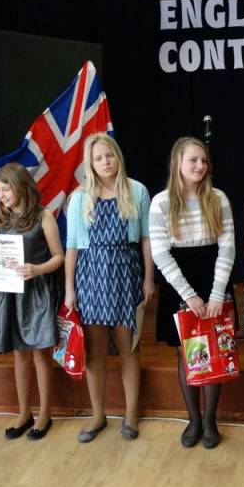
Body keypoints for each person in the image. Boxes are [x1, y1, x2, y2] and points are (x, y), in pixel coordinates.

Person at [64, 133, 154, 442]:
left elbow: (146, 238)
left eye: (109, 155)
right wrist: (69, 289)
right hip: (91, 276)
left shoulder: (137, 191)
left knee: (129, 346)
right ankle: (98, 414)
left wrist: (149, 278)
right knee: (95, 350)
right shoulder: (79, 198)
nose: (105, 162)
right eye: (98, 158)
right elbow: (72, 246)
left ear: (118, 156)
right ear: (90, 163)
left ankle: (131, 413)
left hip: (126, 273)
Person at [150, 136, 235, 449]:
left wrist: (216, 294)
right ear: (178, 163)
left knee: (216, 348)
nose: (200, 166)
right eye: (193, 160)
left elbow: (227, 248)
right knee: (186, 352)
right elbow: (160, 254)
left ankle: (210, 419)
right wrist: (188, 295)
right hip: (179, 284)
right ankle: (194, 419)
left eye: (203, 160)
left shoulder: (218, 198)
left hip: (213, 278)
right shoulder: (161, 202)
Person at [0, 163, 63, 441]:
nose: (1, 196)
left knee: (40, 354)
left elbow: (59, 257)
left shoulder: (44, 216)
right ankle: (24, 412)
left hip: (36, 293)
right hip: (9, 292)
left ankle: (44, 414)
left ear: (21, 186)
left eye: (5, 189)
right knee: (19, 353)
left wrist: (37, 269)